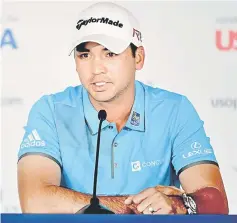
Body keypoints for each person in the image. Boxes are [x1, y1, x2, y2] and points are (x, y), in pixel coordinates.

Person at [17, 2, 228, 214]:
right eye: (84, 55)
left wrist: (178, 204)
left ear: (138, 57)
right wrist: (138, 207)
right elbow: (35, 201)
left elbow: (216, 203)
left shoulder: (175, 109)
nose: (96, 69)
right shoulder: (51, 110)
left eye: (110, 54)